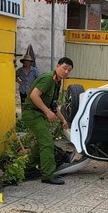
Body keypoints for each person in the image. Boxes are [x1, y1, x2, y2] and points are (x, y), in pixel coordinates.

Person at [22, 57, 74, 185]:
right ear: (57, 66)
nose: (66, 72)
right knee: (47, 143)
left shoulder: (57, 82)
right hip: (32, 113)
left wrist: (63, 120)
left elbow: (54, 105)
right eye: (64, 68)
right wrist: (47, 112)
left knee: (41, 144)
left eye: (69, 70)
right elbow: (34, 95)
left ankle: (26, 168)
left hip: (38, 114)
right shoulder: (47, 79)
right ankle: (47, 175)